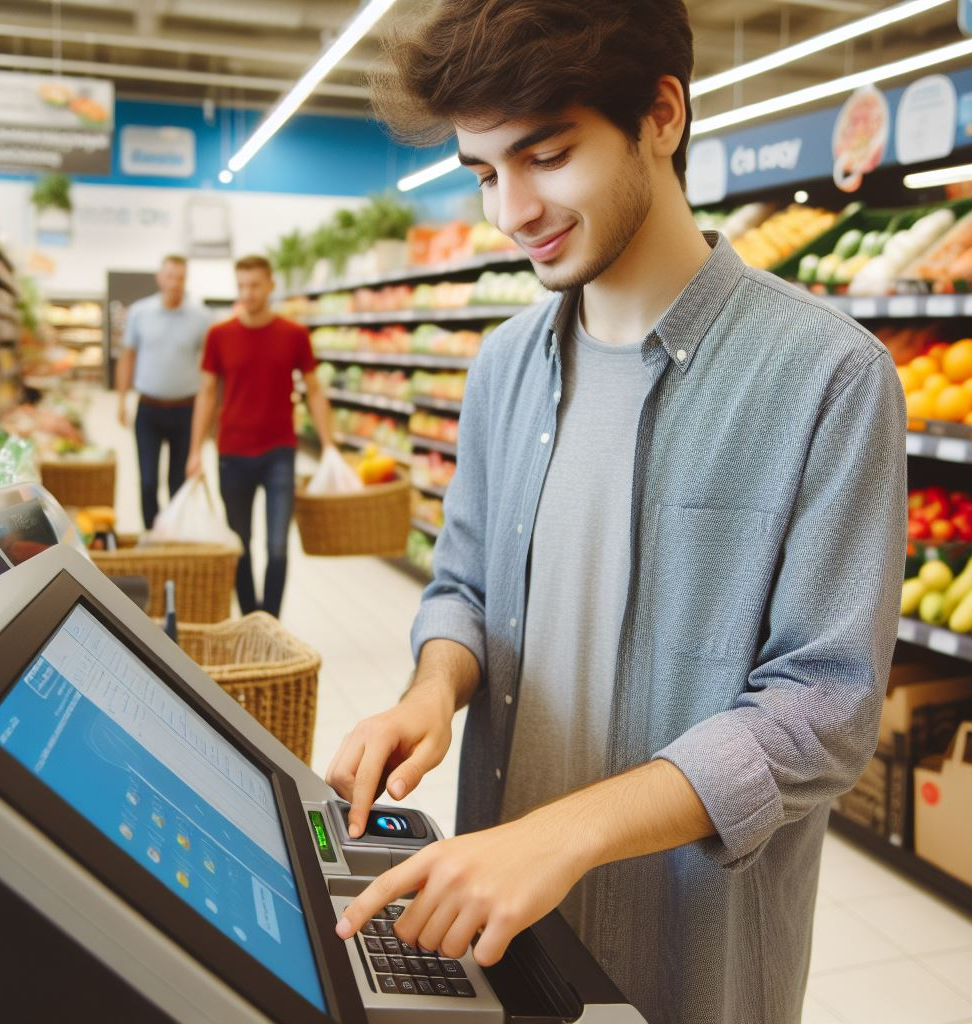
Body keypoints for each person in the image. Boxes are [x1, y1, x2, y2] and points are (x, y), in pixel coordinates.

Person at [326, 3, 908, 1023]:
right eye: (482, 171)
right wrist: (432, 689)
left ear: (661, 115)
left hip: (691, 956)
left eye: (545, 155)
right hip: (500, 936)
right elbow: (463, 585)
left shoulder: (827, 375)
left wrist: (566, 831)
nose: (510, 209)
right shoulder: (503, 367)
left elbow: (822, 710)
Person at [185, 255, 333, 618]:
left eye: (255, 285)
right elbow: (206, 393)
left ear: (271, 285)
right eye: (242, 286)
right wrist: (193, 452)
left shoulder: (294, 335)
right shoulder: (219, 336)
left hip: (279, 452)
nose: (248, 293)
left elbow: (313, 390)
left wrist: (330, 444)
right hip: (232, 452)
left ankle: (272, 623)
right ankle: (252, 619)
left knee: (278, 546)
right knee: (241, 545)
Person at [116, 254, 213, 530]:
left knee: (178, 481)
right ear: (159, 278)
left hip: (186, 410)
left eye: (180, 277)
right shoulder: (139, 312)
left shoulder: (201, 318)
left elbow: (210, 369)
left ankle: (174, 533)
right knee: (147, 480)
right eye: (170, 276)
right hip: (148, 409)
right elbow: (128, 356)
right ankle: (151, 531)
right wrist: (122, 400)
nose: (174, 283)